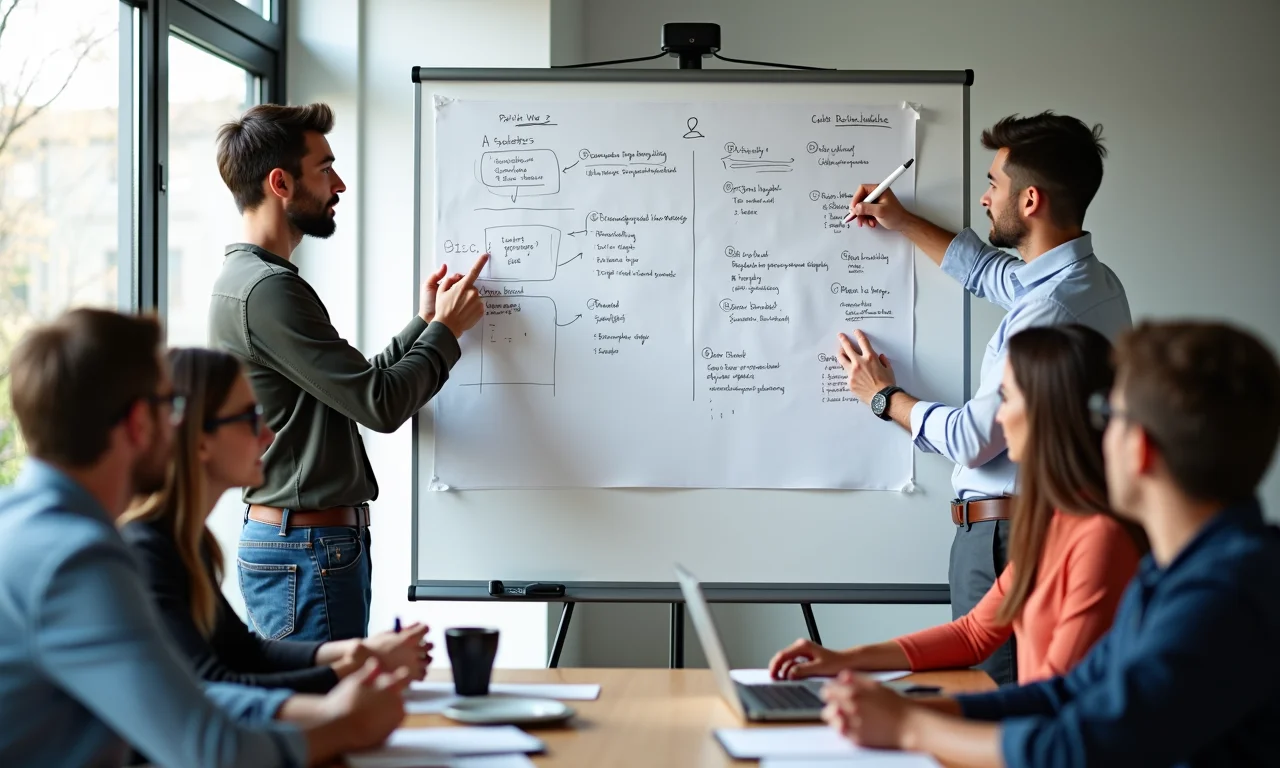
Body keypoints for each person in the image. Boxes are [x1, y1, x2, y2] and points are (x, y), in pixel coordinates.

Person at [821, 320, 1280, 768]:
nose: (1097, 431)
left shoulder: (1223, 592)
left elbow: (1079, 745)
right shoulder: (1176, 572)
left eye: (1108, 415)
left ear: (1138, 448)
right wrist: (913, 712)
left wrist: (909, 728)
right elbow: (1069, 691)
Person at [0, 309, 411, 768]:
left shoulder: (28, 528)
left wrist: (330, 702)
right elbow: (209, 748)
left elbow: (192, 697)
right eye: (168, 406)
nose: (178, 423)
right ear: (140, 422)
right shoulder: (75, 561)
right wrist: (344, 723)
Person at [837, 112, 1131, 684]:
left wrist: (883, 397)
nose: (983, 197)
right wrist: (902, 221)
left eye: (994, 184)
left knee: (995, 704)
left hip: (1007, 534)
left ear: (1030, 201)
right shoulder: (1086, 282)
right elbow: (988, 274)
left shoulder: (1048, 313)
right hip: (1020, 528)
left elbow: (975, 439)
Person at [210, 102, 488, 642]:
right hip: (307, 551)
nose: (339, 184)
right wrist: (447, 333)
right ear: (280, 182)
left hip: (305, 548)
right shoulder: (268, 291)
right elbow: (380, 404)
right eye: (325, 168)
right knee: (329, 713)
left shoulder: (254, 280)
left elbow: (356, 387)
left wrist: (427, 323)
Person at [772, 325, 1144, 685]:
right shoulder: (1055, 521)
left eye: (1007, 398)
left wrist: (905, 722)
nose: (998, 417)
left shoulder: (1100, 538)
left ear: (1048, 412)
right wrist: (845, 660)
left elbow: (1053, 706)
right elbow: (972, 634)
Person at [120, 348, 435, 694]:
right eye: (249, 417)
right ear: (200, 442)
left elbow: (245, 653)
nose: (268, 434)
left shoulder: (186, 543)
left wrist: (361, 653)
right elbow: (215, 686)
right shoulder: (147, 553)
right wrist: (356, 672)